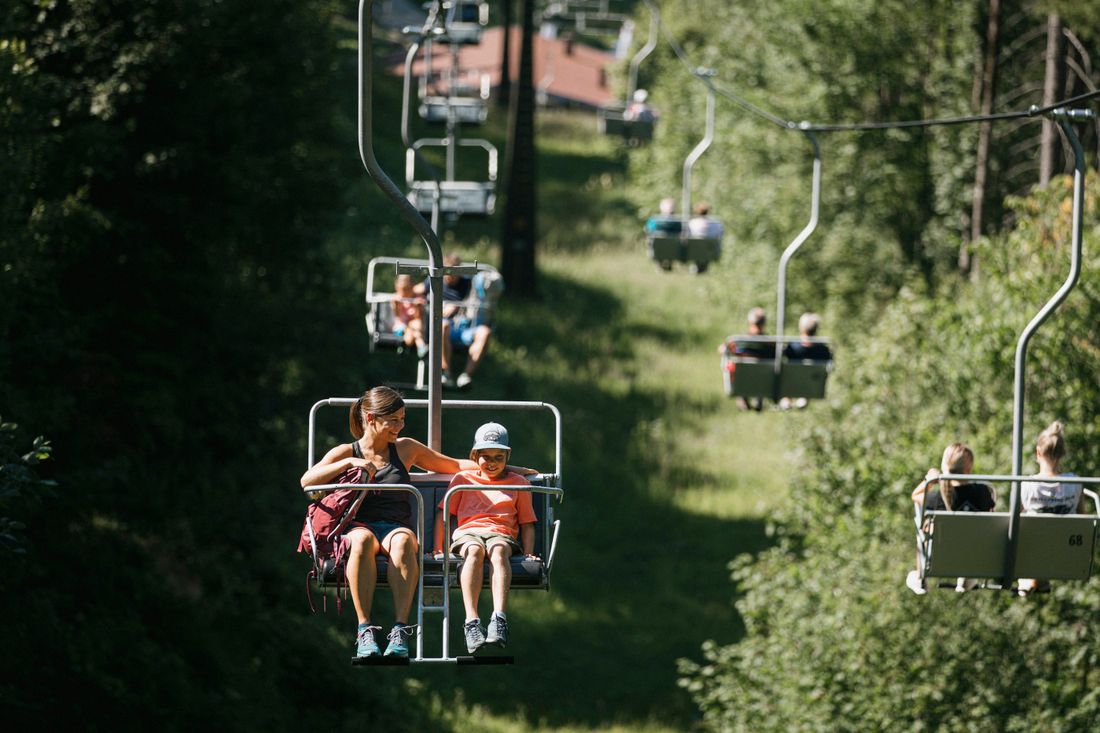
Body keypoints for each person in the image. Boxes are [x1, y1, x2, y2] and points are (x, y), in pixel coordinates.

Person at [300, 386, 485, 659]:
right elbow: (307, 481)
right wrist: (350, 463)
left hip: (394, 526)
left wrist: (501, 468)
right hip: (360, 526)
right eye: (394, 420)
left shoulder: (405, 449)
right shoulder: (345, 452)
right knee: (361, 541)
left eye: (402, 419)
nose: (400, 425)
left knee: (403, 542)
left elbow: (453, 466)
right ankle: (365, 629)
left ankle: (400, 629)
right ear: (372, 418)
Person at [433, 422, 538, 654]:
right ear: (474, 456)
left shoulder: (519, 484)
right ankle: (472, 621)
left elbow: (527, 523)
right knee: (474, 551)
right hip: (469, 532)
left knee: (499, 551)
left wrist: (529, 553)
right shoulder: (463, 480)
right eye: (485, 457)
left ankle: (499, 619)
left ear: (507, 456)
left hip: (502, 533)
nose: (492, 463)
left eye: (498, 457)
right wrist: (437, 548)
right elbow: (444, 513)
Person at [907, 443, 996, 594]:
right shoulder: (984, 492)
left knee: (922, 525)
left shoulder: (937, 499)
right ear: (969, 469)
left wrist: (929, 480)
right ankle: (967, 574)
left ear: (944, 467)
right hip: (974, 555)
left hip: (941, 558)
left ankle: (920, 577)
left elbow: (915, 496)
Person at [1017, 421, 1084, 596]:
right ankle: (1041, 577)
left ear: (1038, 453)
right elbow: (1082, 518)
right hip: (1063, 551)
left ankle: (1029, 576)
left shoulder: (1027, 485)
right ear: (1063, 454)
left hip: (1033, 548)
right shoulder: (1075, 483)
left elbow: (1013, 519)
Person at [719, 307, 774, 411]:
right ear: (764, 323)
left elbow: (724, 349)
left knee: (735, 365)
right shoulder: (770, 344)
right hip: (762, 379)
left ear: (750, 322)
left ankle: (743, 395)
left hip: (742, 378)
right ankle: (759, 397)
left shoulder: (739, 341)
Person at [780, 313, 833, 410]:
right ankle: (804, 397)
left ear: (801, 328)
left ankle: (787, 398)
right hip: (811, 384)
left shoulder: (792, 347)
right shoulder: (823, 349)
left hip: (792, 383)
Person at [392, 273, 428, 359]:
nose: (405, 293)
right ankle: (421, 346)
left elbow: (418, 316)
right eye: (402, 290)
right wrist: (396, 306)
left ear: (412, 287)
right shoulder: (396, 298)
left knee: (416, 324)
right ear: (397, 288)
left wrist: (417, 307)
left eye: (407, 289)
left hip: (414, 324)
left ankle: (421, 347)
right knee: (411, 335)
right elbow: (398, 316)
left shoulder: (418, 298)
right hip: (402, 326)